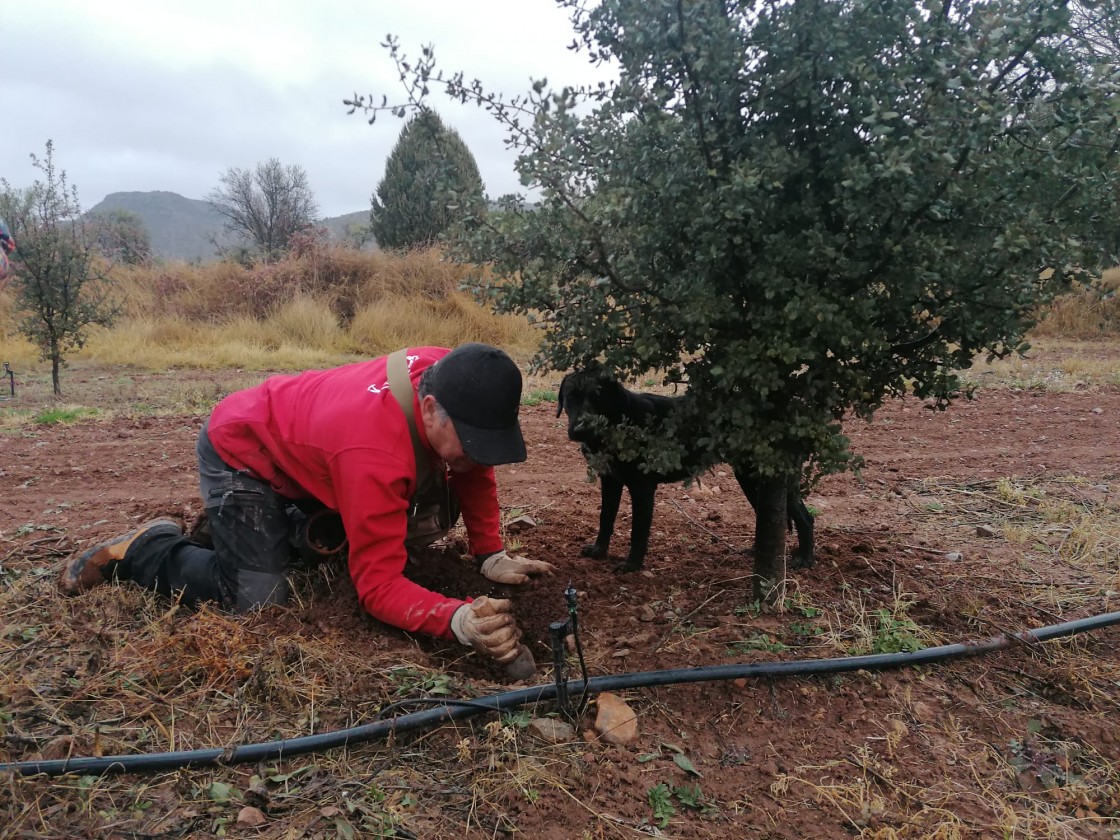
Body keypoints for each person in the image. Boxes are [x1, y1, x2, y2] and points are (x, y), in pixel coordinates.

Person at [59, 343, 555, 665]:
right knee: (254, 601)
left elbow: (473, 462)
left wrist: (489, 553)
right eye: (470, 441)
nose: (478, 455)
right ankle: (148, 548)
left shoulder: (454, 373)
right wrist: (456, 620)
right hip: (243, 452)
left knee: (431, 499)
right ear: (428, 409)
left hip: (312, 456)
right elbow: (377, 587)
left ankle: (256, 527)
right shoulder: (373, 454)